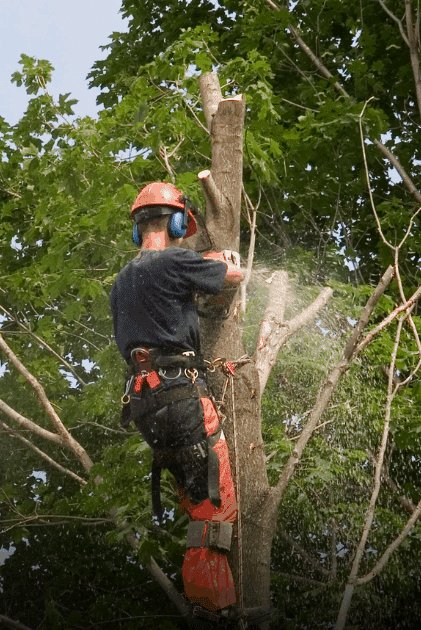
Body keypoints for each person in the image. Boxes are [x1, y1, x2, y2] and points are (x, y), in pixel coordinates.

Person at [110, 182, 244, 627]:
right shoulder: (175, 260)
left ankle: (205, 601)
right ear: (177, 221)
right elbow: (231, 278)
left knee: (194, 497)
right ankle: (213, 612)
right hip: (181, 394)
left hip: (145, 404)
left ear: (137, 227)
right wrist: (222, 261)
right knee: (216, 503)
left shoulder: (122, 280)